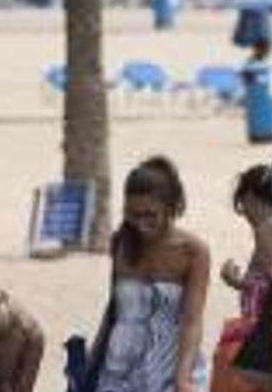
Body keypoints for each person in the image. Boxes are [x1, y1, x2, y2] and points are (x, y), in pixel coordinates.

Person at [93, 156, 210, 391]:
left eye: (150, 214)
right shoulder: (121, 244)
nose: (140, 224)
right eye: (133, 214)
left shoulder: (193, 252)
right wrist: (93, 359)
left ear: (171, 207)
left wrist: (183, 378)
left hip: (172, 367)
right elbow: (114, 309)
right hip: (118, 370)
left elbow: (192, 320)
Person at [213, 164, 272, 392]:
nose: (244, 212)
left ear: (251, 197)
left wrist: (235, 281)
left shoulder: (265, 229)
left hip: (261, 332)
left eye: (243, 204)